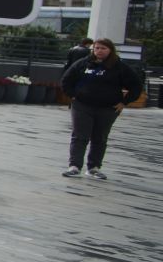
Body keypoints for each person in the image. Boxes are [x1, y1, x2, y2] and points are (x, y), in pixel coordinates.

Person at [60, 38, 144, 179]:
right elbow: (66, 80)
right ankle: (74, 166)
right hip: (82, 106)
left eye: (103, 48)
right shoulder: (83, 63)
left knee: (100, 138)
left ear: (110, 50)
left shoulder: (119, 67)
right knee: (80, 136)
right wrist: (72, 95)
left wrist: (124, 102)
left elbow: (136, 85)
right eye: (97, 48)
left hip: (107, 108)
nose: (99, 51)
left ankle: (94, 167)